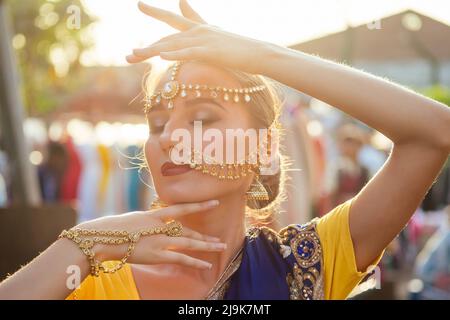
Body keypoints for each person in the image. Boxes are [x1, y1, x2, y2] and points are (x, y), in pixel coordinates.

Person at [0, 0, 449, 300]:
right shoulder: (93, 279)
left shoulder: (305, 264)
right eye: (157, 124)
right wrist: (86, 242)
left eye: (203, 119)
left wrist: (261, 56)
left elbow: (433, 133)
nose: (171, 137)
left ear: (263, 146)